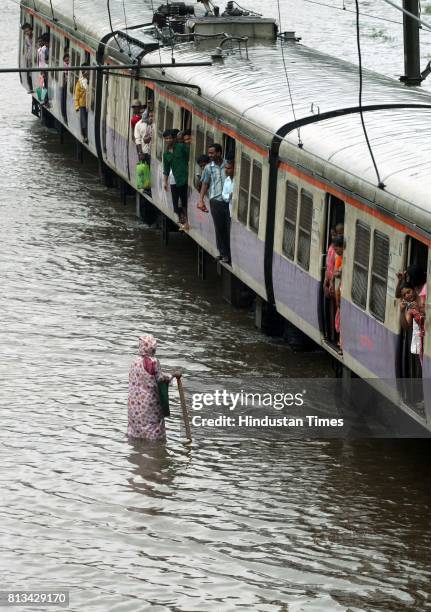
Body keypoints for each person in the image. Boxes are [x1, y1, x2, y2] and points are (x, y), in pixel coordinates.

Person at [128, 335, 180, 441]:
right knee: (153, 425)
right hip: (149, 402)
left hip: (134, 401)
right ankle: (155, 449)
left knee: (137, 423)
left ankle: (138, 446)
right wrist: (172, 376)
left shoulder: (135, 361)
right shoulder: (153, 362)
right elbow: (160, 379)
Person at [199, 144, 231, 262]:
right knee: (219, 228)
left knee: (228, 228)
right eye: (209, 153)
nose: (210, 156)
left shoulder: (228, 165)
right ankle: (223, 253)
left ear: (219, 153)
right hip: (215, 201)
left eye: (212, 153)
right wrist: (201, 200)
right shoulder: (208, 168)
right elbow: (205, 184)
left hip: (228, 202)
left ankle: (228, 253)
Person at [163, 129, 190, 227]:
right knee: (175, 204)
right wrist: (165, 182)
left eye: (170, 138)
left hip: (184, 178)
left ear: (174, 139)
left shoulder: (181, 147)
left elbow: (188, 157)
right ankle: (181, 218)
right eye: (166, 139)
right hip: (174, 179)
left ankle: (186, 221)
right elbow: (166, 169)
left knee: (184, 201)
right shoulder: (166, 154)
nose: (168, 140)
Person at [399, 282, 425, 367]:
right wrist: (402, 312)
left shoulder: (424, 299)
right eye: (404, 295)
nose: (407, 295)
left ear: (413, 289)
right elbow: (406, 326)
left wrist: (420, 310)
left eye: (408, 292)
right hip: (423, 343)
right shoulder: (410, 310)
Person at [74, 64, 89, 143]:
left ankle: (86, 135)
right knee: (84, 122)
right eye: (83, 71)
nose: (84, 72)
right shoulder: (79, 82)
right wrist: (77, 106)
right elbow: (76, 96)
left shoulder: (91, 80)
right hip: (82, 105)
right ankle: (85, 136)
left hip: (89, 105)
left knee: (87, 121)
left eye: (85, 71)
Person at [21, 23, 33, 92]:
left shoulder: (35, 36)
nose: (27, 33)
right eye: (25, 32)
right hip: (29, 58)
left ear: (30, 29)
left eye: (27, 31)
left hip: (33, 58)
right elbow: (27, 47)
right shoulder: (26, 38)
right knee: (29, 73)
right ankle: (30, 87)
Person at [61, 51, 69, 122]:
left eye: (67, 60)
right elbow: (65, 75)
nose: (67, 62)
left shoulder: (67, 65)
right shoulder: (65, 65)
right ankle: (64, 114)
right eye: (66, 61)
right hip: (66, 83)